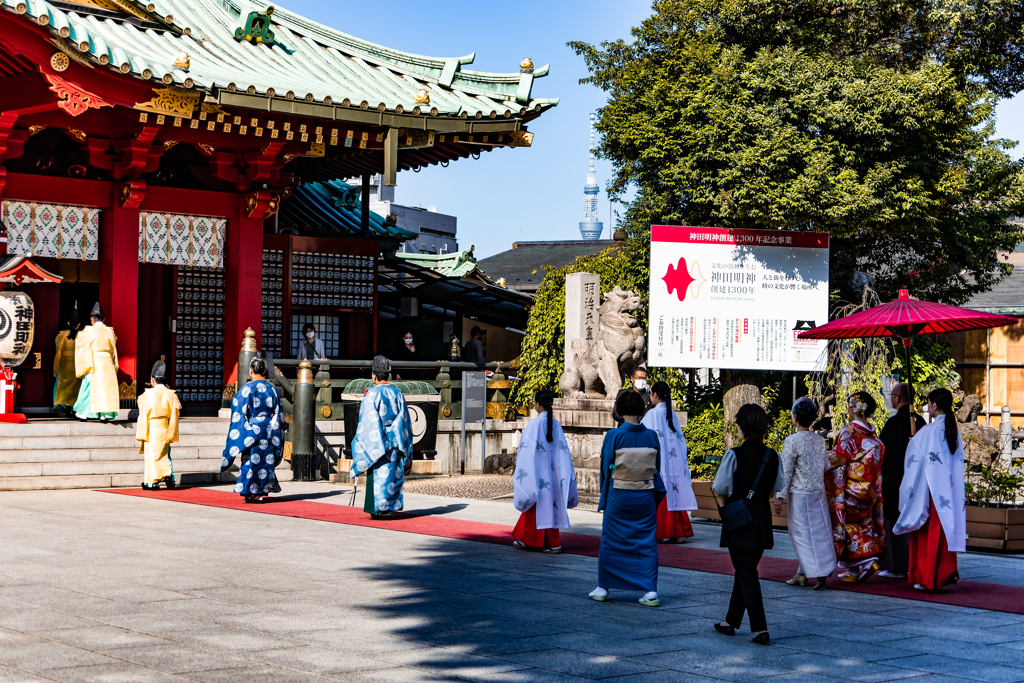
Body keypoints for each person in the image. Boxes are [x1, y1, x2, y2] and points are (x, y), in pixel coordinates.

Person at [712, 403, 784, 645]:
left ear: (742, 428)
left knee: (746, 571)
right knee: (745, 569)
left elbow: (719, 488)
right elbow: (775, 489)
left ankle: (760, 628)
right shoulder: (773, 456)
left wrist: (725, 511)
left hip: (739, 521)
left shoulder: (734, 454)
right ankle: (730, 621)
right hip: (761, 521)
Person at [590, 390, 663, 607]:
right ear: (642, 410)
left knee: (611, 539)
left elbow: (605, 468)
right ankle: (650, 591)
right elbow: (656, 469)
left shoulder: (614, 436)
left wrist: (606, 493)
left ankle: (603, 587)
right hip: (645, 493)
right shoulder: (652, 436)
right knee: (647, 541)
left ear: (619, 410)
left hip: (620, 494)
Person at [894, 388, 966, 591]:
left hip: (930, 491)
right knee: (944, 531)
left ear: (934, 405)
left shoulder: (928, 431)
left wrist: (912, 443)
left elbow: (914, 460)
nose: (927, 407)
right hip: (948, 492)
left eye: (928, 403)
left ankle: (928, 576)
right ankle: (946, 572)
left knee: (928, 532)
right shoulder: (953, 431)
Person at [775, 397, 836, 589]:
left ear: (794, 418)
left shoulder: (791, 441)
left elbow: (786, 470)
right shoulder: (819, 440)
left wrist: (779, 496)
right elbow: (826, 465)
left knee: (801, 535)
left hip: (799, 494)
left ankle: (813, 571)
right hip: (818, 493)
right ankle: (806, 573)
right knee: (819, 533)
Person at [827, 392, 886, 583]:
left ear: (852, 408)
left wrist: (822, 457)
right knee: (864, 522)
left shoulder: (849, 431)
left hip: (853, 486)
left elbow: (838, 457)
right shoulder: (872, 432)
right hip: (869, 487)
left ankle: (868, 559)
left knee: (850, 524)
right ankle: (852, 569)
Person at [512, 389, 579, 553]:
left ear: (537, 404)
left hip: (538, 474)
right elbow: (563, 452)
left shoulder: (533, 425)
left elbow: (525, 453)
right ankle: (554, 543)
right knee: (552, 505)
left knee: (534, 505)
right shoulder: (556, 424)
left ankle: (531, 541)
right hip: (555, 475)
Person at [350, 355, 413, 519]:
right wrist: (396, 436)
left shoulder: (371, 394)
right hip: (395, 439)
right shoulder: (397, 393)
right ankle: (390, 508)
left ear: (374, 375)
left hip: (376, 439)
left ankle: (377, 509)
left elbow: (367, 422)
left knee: (378, 473)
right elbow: (405, 420)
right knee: (392, 473)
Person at [220, 353, 283, 504]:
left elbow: (239, 414)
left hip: (251, 431)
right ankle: (262, 491)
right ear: (264, 372)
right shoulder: (273, 390)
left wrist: (247, 432)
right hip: (268, 430)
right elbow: (278, 414)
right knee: (266, 461)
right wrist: (272, 430)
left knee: (251, 462)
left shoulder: (245, 390)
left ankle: (250, 491)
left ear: (250, 371)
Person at [878, 382, 926, 579]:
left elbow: (881, 453)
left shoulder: (893, 423)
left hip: (894, 480)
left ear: (897, 398)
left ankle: (897, 566)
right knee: (916, 518)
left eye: (892, 395)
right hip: (918, 479)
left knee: (894, 520)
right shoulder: (921, 422)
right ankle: (916, 563)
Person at [641, 381, 697, 543]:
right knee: (674, 491)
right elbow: (680, 441)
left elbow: (645, 438)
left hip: (659, 460)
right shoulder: (670, 414)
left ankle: (663, 530)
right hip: (674, 461)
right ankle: (678, 531)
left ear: (655, 395)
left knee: (660, 491)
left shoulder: (651, 415)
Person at [136, 359, 181, 491]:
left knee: (151, 455)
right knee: (165, 453)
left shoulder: (146, 395)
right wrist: (172, 430)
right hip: (165, 426)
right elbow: (175, 414)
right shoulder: (171, 395)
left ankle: (153, 482)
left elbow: (142, 413)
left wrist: (142, 431)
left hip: (152, 427)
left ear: (153, 380)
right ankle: (168, 475)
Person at [73, 302, 119, 422]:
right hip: (107, 362)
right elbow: (114, 349)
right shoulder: (110, 331)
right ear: (104, 319)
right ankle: (104, 415)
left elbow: (82, 350)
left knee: (89, 387)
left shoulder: (87, 331)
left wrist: (83, 367)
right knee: (106, 389)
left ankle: (83, 413)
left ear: (92, 320)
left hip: (93, 361)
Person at [53, 308, 82, 417]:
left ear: (68, 323)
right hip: (77, 364)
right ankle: (75, 408)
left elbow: (58, 353)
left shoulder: (61, 335)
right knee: (76, 387)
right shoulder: (82, 335)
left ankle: (61, 406)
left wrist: (56, 368)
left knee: (62, 387)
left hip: (64, 364)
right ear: (79, 324)